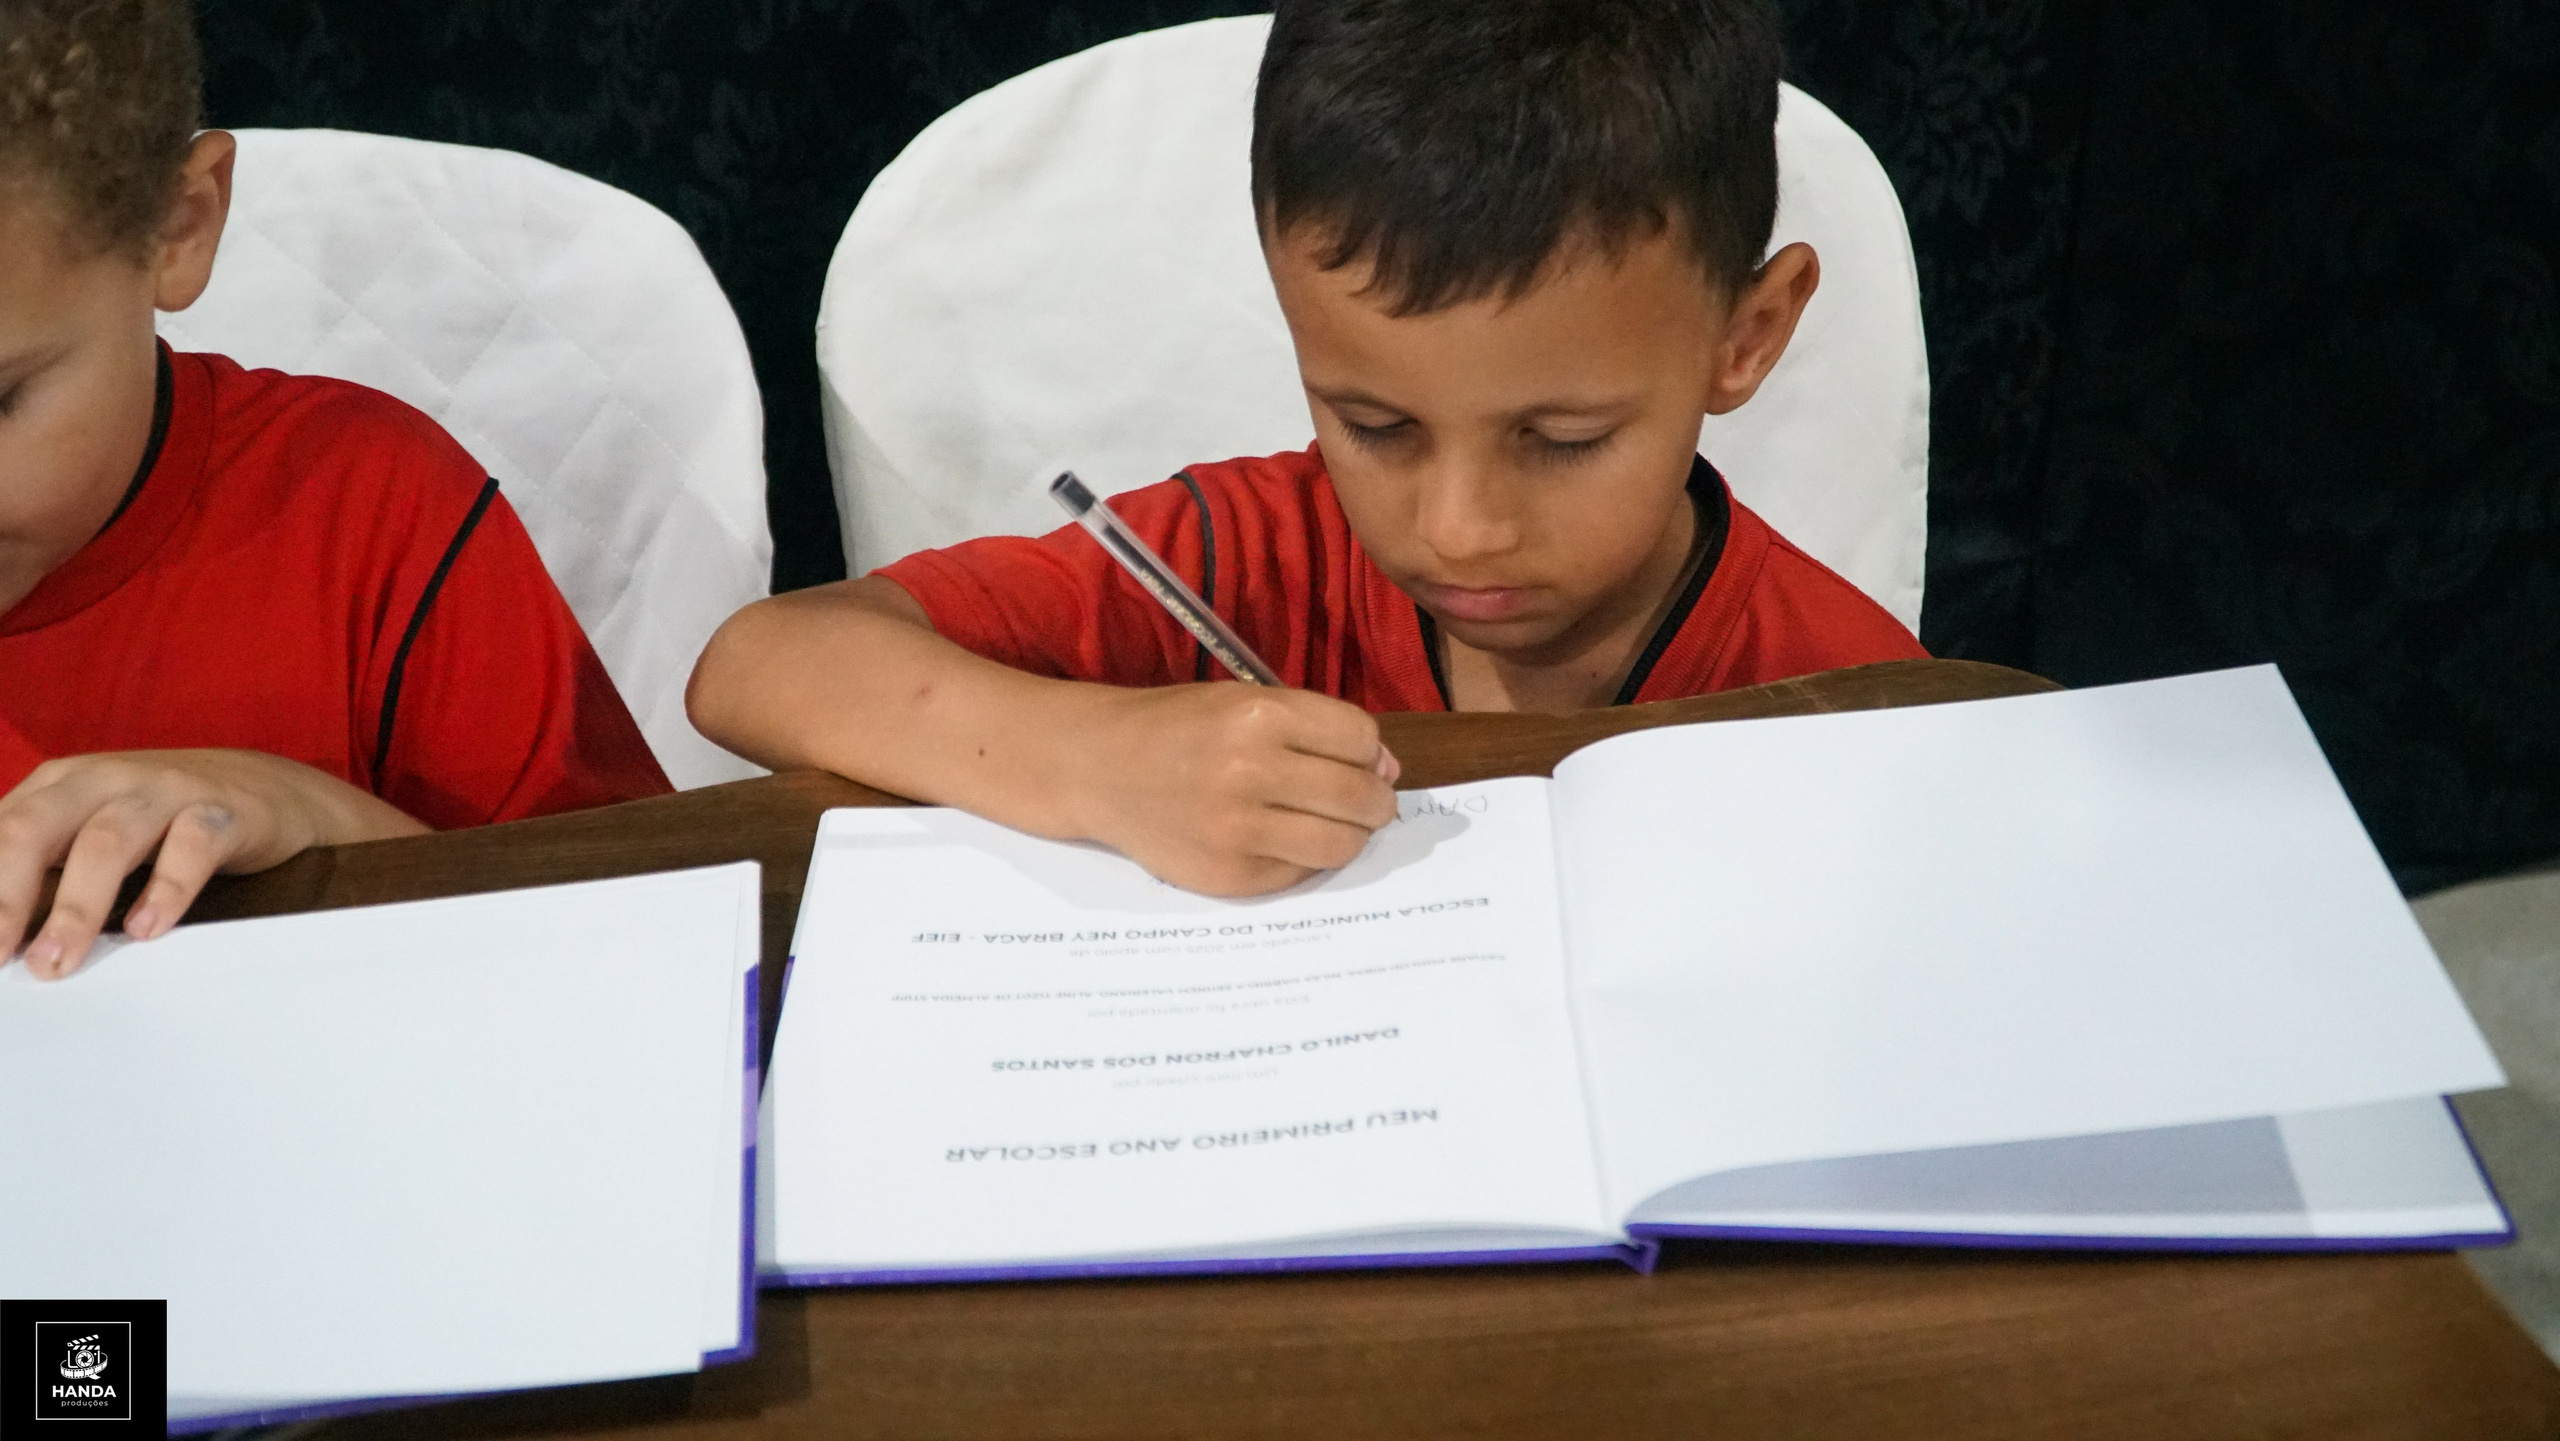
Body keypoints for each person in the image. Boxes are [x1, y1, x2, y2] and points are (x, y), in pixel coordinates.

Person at [688, 0, 1923, 898]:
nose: (1456, 527)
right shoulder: (1251, 559)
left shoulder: (1847, 696)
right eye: (1374, 424)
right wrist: (1098, 758)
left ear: (1746, 338)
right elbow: (757, 665)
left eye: (1561, 439)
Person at [0, 0, 671, 979]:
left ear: (178, 227)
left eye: (2, 396)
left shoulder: (375, 516)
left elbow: (640, 948)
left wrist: (319, 818)